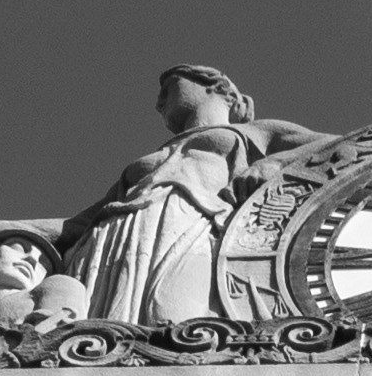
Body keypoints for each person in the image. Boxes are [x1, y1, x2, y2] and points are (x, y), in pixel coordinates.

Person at [60, 68, 317, 327]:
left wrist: (275, 162)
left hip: (198, 219)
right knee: (110, 327)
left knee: (176, 316)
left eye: (169, 88)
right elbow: (74, 226)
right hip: (118, 234)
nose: (159, 102)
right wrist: (22, 229)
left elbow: (342, 144)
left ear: (213, 86)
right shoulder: (157, 159)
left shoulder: (257, 131)